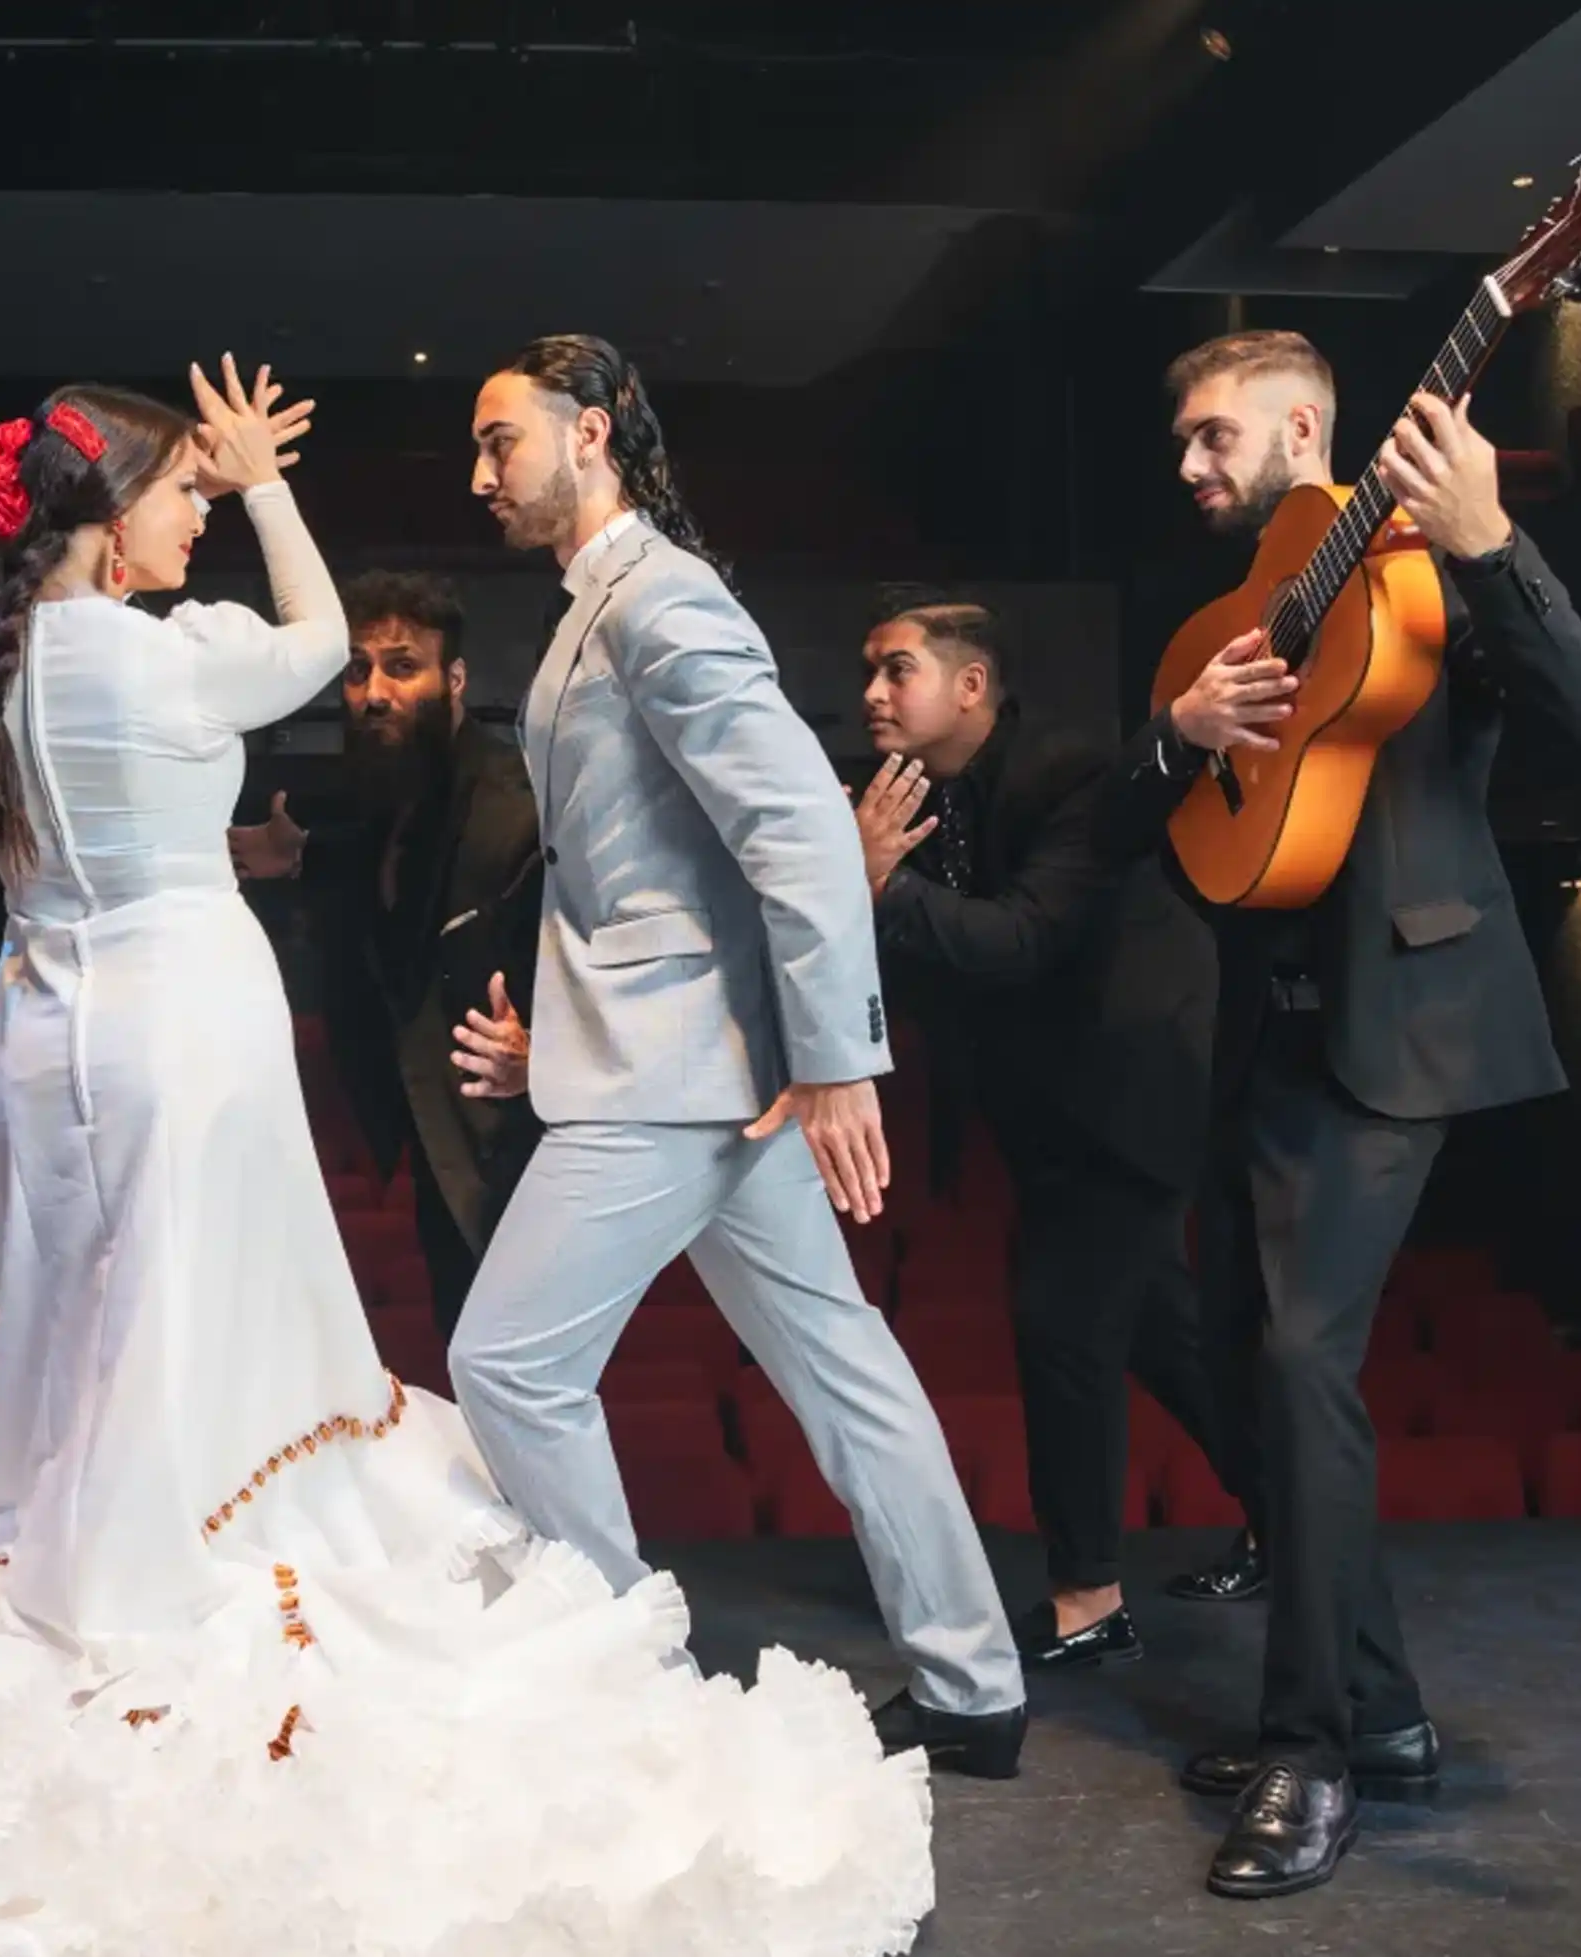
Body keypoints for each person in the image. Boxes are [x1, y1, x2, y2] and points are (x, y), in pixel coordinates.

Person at [0, 359, 936, 1957]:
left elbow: (61, 755)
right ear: (107, 511)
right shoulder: (176, 661)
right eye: (183, 496)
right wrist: (272, 483)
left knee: (82, 1307)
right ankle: (196, 1550)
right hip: (184, 1023)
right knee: (205, 1304)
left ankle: (86, 1537)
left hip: (34, 1028)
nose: (201, 514)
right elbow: (308, 645)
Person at [442, 334, 1027, 1786]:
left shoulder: (663, 600)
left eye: (497, 440)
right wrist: (555, 1044)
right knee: (844, 1370)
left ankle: (626, 1683)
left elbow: (800, 830)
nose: (476, 474)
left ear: (587, 438)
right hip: (673, 1055)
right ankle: (971, 1686)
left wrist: (837, 1061)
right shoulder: (605, 604)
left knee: (503, 1362)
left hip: (677, 1074)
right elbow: (643, 868)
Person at [1120, 329, 1581, 1898]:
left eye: (1211, 437)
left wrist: (1491, 540)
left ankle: (1311, 1752)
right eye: (1182, 441)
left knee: (1295, 1359)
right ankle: (1383, 1718)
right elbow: (1169, 807)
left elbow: (1580, 707)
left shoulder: (1414, 563)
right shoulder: (1227, 615)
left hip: (1403, 1020)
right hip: (1259, 1034)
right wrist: (1175, 736)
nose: (1188, 465)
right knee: (1248, 1377)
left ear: (1302, 426)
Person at [848, 597, 1247, 1669]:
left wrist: (874, 882)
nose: (873, 695)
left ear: (971, 686)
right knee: (1169, 1335)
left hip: (1133, 1091)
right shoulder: (916, 793)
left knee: (1059, 1320)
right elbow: (933, 963)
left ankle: (1089, 1595)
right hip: (1049, 1107)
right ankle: (1289, 1520)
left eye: (897, 671)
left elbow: (1020, 940)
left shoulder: (1069, 774)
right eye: (872, 675)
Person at [227, 570, 543, 1335]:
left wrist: (547, 1053)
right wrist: (293, 859)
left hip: (526, 1154)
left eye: (404, 667)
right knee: (470, 1369)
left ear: (456, 680)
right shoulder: (380, 800)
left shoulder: (519, 805)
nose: (374, 691)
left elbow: (605, 952)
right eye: (359, 669)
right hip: (439, 1150)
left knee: (523, 1382)